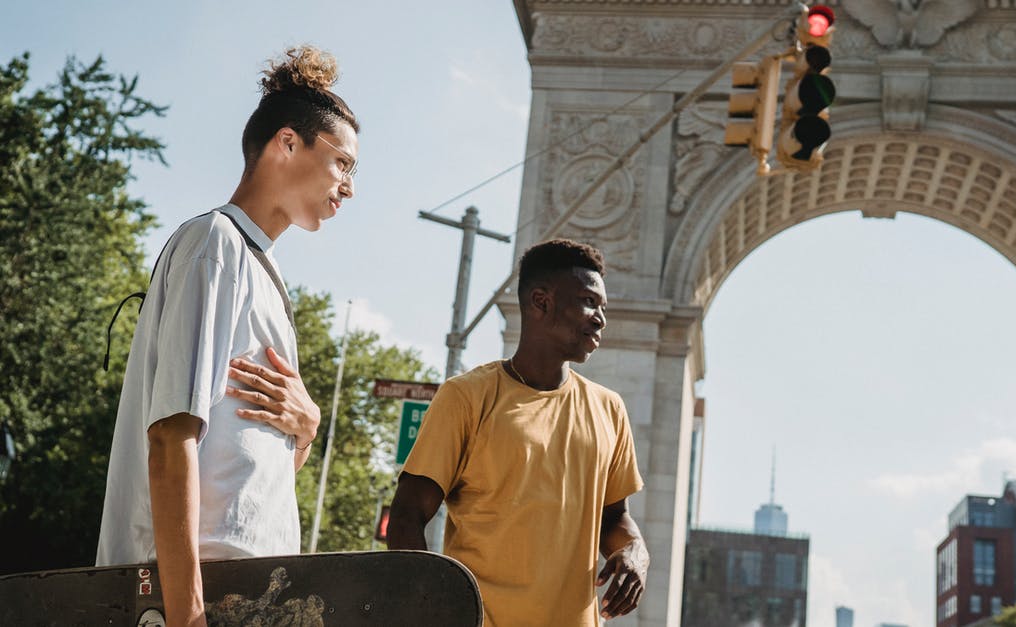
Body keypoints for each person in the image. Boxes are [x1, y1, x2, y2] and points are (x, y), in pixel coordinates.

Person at [96, 45, 359, 626]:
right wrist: (188, 616)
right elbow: (171, 437)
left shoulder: (262, 271)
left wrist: (306, 432)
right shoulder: (215, 244)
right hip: (187, 595)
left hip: (252, 593)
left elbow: (250, 476)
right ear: (287, 143)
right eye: (343, 163)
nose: (349, 186)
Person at [387, 239, 649, 626]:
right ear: (541, 302)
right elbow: (407, 516)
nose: (600, 318)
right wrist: (431, 608)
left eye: (603, 307)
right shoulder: (466, 396)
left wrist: (635, 553)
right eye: (589, 302)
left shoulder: (609, 409)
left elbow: (615, 520)